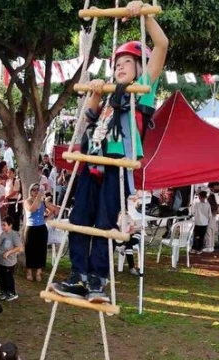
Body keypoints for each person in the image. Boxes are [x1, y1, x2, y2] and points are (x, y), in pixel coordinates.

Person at [53, 1, 167, 302]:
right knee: (79, 219)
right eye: (117, 64)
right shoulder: (109, 98)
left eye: (126, 63)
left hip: (116, 163)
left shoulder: (141, 87)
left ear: (140, 69)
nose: (119, 67)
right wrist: (96, 92)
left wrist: (142, 12)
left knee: (105, 223)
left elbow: (162, 44)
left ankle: (97, 279)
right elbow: (90, 118)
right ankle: (77, 275)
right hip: (93, 163)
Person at [24, 184, 58, 282]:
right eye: (33, 190)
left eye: (37, 190)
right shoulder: (27, 201)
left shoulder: (44, 202)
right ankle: (29, 272)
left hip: (41, 228)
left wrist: (46, 219)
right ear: (30, 191)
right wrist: (38, 198)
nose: (35, 191)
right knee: (30, 250)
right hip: (30, 228)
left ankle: (39, 272)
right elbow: (32, 209)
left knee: (41, 250)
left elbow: (56, 209)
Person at [0, 216, 23, 301]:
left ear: (10, 225)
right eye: (2, 225)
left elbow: (19, 247)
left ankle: (12, 292)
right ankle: (3, 291)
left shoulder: (14, 235)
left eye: (4, 225)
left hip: (9, 262)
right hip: (0, 260)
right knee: (2, 277)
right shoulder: (3, 234)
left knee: (8, 278)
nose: (2, 227)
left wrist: (9, 252)